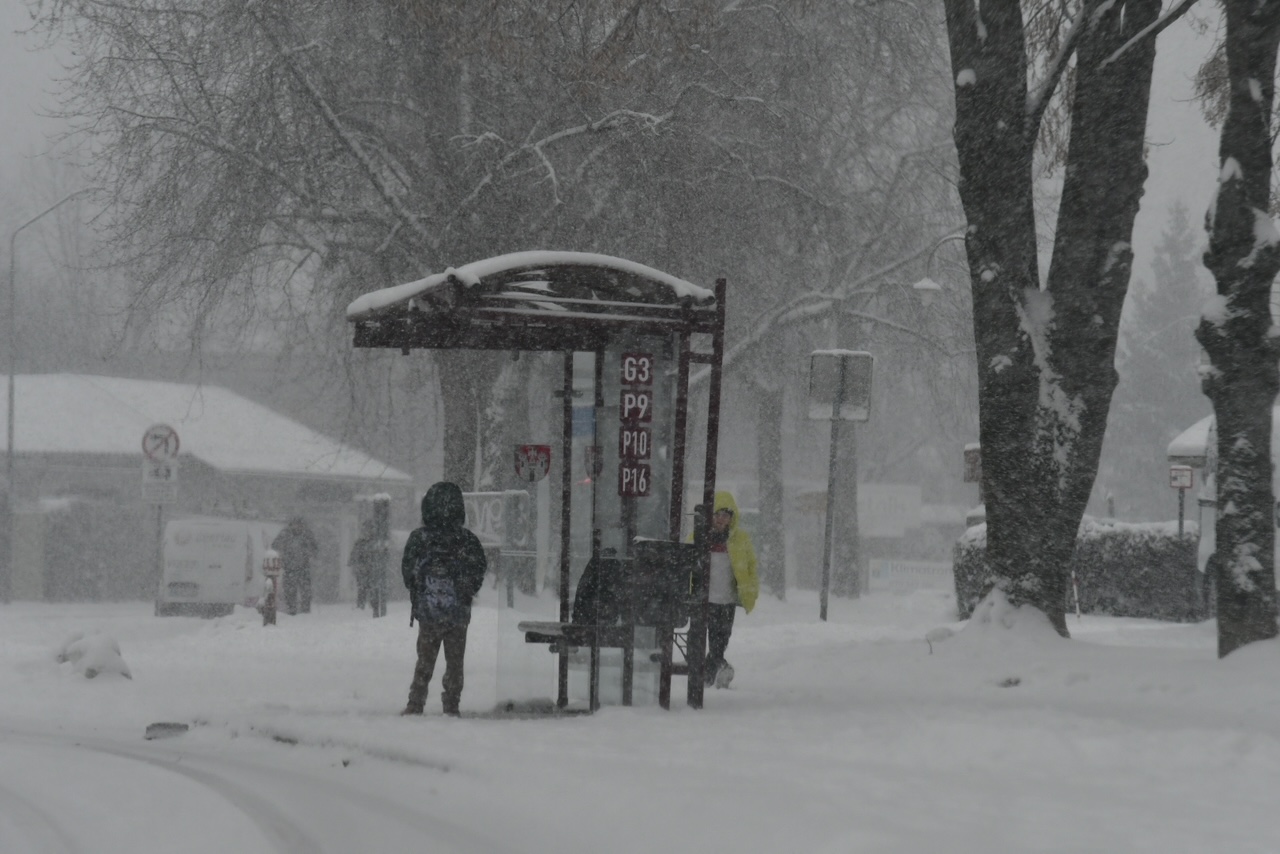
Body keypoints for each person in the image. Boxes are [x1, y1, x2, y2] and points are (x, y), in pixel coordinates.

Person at [401, 482, 487, 717]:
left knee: (425, 660)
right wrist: (467, 590)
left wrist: (418, 590)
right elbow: (480, 567)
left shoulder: (419, 538)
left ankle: (416, 702)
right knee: (455, 661)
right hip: (458, 613)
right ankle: (451, 704)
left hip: (428, 613)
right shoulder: (466, 539)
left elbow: (408, 571)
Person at [693, 491, 759, 689]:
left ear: (732, 518)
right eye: (717, 515)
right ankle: (719, 668)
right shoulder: (698, 537)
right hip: (705, 599)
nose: (721, 520)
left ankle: (709, 674)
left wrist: (750, 591)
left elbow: (750, 567)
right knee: (704, 639)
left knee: (721, 639)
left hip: (727, 600)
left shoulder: (740, 539)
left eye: (726, 515)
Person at [272, 517, 319, 615]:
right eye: (295, 525)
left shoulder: (307, 535)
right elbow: (275, 545)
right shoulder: (285, 534)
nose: (297, 527)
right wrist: (283, 552)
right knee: (290, 590)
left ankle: (305, 609)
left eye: (299, 525)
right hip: (289, 567)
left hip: (303, 567)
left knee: (305, 590)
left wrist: (309, 553)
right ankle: (291, 608)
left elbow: (315, 548)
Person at [349, 518, 388, 617]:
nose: (366, 531)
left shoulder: (376, 542)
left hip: (372, 571)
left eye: (369, 529)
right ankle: (361, 608)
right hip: (363, 571)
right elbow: (354, 556)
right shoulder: (360, 543)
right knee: (362, 589)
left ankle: (374, 609)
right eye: (365, 529)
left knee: (373, 590)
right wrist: (356, 565)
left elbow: (383, 555)